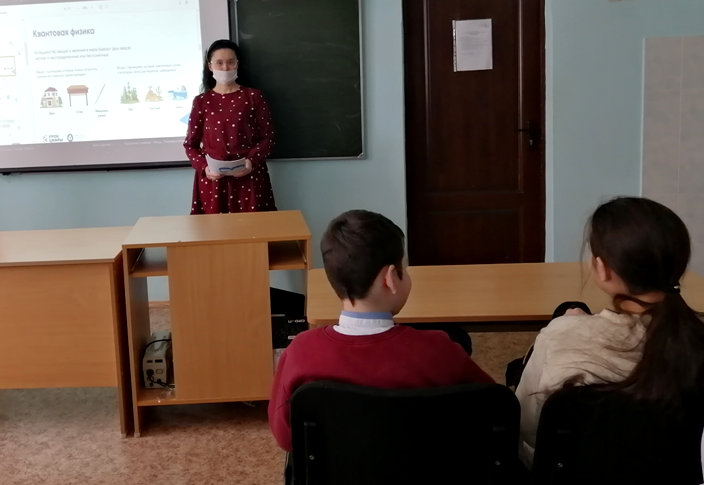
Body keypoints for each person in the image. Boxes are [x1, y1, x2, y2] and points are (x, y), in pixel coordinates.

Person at [268, 210, 494, 451]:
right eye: (404, 268)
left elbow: (285, 437)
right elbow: (495, 408)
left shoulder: (300, 352)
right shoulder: (440, 349)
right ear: (391, 278)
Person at [516, 197, 704, 468]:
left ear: (602, 269)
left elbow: (528, 432)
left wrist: (570, 327)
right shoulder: (694, 341)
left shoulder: (560, 338)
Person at [184, 39, 276, 214]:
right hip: (213, 182)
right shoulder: (201, 101)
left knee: (253, 228)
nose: (225, 68)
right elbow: (190, 145)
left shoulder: (253, 97)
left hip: (249, 178)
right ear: (210, 66)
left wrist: (251, 161)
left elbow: (268, 138)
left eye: (230, 62)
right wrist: (204, 167)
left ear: (237, 65)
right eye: (219, 63)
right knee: (214, 229)